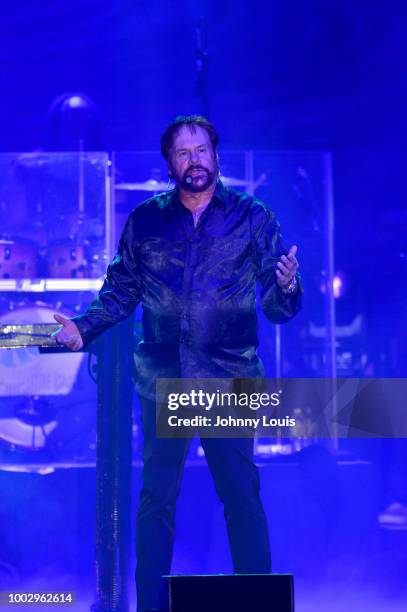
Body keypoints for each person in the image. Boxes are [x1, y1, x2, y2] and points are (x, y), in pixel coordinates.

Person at [53, 115, 301, 612]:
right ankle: (151, 607)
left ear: (217, 155)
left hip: (229, 380)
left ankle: (258, 605)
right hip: (164, 379)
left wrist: (288, 285)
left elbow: (277, 308)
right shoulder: (147, 220)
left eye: (202, 150)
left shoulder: (253, 217)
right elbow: (120, 291)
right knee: (157, 500)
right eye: (183, 153)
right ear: (170, 164)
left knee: (241, 497)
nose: (195, 160)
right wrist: (85, 327)